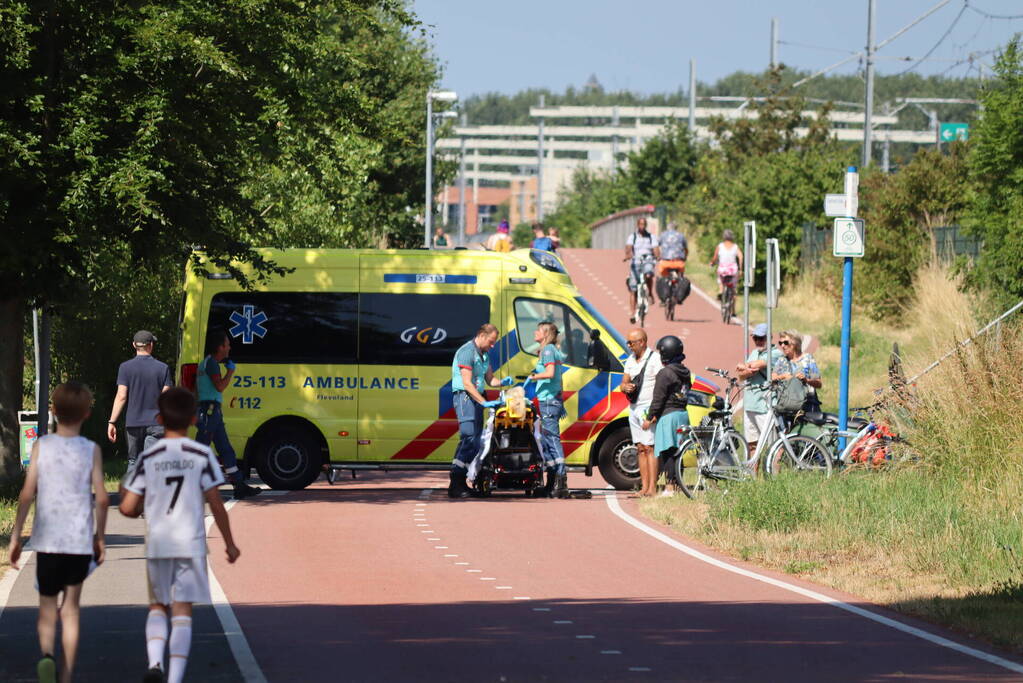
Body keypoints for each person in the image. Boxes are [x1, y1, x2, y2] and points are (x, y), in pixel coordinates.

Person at [119, 387, 240, 683]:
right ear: (194, 419)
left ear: (159, 418)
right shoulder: (201, 455)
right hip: (191, 542)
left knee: (158, 605)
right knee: (183, 612)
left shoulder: (151, 456)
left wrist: (135, 509)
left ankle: (155, 662)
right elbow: (215, 501)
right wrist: (229, 543)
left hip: (160, 540)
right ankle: (174, 678)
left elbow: (127, 506)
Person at [9, 382, 109, 683]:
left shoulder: (42, 446)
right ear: (88, 414)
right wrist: (100, 537)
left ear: (52, 411)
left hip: (48, 541)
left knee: (47, 606)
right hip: (78, 541)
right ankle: (65, 675)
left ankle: (47, 656)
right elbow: (103, 498)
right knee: (72, 610)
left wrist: (16, 536)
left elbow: (27, 493)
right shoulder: (91, 450)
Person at [195, 328, 261, 499]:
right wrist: (230, 372)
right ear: (220, 347)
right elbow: (220, 386)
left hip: (211, 411)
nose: (229, 348)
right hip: (209, 412)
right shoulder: (211, 364)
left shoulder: (206, 362)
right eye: (227, 344)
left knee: (226, 450)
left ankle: (239, 485)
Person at [449, 323, 513, 498]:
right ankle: (456, 482)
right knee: (468, 436)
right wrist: (484, 402)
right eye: (491, 342)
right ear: (482, 336)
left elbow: (490, 379)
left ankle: (460, 482)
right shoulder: (467, 352)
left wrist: (502, 382)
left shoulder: (484, 355)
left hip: (477, 398)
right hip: (465, 397)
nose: (492, 346)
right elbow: (467, 384)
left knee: (475, 441)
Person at [108, 330, 174, 473]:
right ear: (151, 345)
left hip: (133, 423)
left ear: (134, 345)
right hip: (156, 423)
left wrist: (112, 422)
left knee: (133, 461)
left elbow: (121, 396)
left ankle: (131, 494)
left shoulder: (125, 368)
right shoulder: (163, 368)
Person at [642, 336, 692, 496]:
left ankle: (669, 487)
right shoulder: (685, 371)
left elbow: (658, 399)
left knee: (668, 451)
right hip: (683, 415)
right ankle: (678, 485)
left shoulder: (665, 373)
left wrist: (649, 418)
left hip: (668, 416)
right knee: (679, 451)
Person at [527, 322, 569, 498]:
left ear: (545, 334)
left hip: (549, 401)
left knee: (551, 440)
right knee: (546, 442)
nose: (535, 332)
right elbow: (557, 376)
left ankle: (560, 481)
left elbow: (551, 372)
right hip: (550, 400)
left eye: (538, 330)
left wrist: (534, 376)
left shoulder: (548, 350)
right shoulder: (548, 350)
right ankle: (552, 481)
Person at [620, 329, 662, 496]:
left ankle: (652, 488)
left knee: (650, 447)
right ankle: (644, 487)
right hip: (634, 407)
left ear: (642, 342)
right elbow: (623, 383)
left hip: (648, 407)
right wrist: (625, 387)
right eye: (628, 342)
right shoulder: (630, 360)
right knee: (640, 448)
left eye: (632, 342)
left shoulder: (655, 359)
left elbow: (661, 386)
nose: (629, 345)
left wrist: (654, 412)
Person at [736, 323, 785, 459]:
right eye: (755, 338)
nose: (758, 341)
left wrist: (744, 367)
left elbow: (756, 365)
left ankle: (773, 476)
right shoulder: (754, 353)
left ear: (769, 338)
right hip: (750, 405)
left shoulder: (775, 354)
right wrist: (746, 369)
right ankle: (753, 477)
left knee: (773, 445)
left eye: (761, 338)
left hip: (765, 406)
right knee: (752, 445)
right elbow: (741, 376)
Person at [778, 330, 823, 413]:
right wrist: (782, 376)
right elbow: (772, 377)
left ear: (795, 343)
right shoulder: (782, 360)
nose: (782, 346)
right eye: (780, 343)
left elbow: (819, 384)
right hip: (786, 407)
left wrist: (807, 380)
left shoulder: (808, 358)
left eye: (785, 342)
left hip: (807, 407)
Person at [625, 217, 660, 323]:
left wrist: (657, 256)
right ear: (637, 225)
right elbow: (628, 248)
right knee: (633, 289)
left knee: (649, 274)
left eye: (644, 224)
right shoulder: (633, 237)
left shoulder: (651, 237)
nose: (642, 226)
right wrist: (628, 255)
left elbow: (656, 249)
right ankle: (632, 312)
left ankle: (649, 293)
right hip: (636, 262)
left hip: (648, 260)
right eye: (640, 224)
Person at [656, 222, 689, 307]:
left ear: (668, 228)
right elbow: (685, 249)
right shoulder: (681, 236)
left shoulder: (663, 235)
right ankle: (678, 296)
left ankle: (664, 298)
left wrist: (658, 256)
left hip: (665, 263)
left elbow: (656, 246)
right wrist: (684, 257)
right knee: (680, 278)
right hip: (678, 263)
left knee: (663, 278)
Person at [710, 229, 743, 300]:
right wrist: (740, 269)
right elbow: (740, 256)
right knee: (734, 288)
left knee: (721, 279)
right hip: (732, 270)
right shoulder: (735, 247)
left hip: (723, 270)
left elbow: (715, 258)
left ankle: (721, 291)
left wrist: (712, 263)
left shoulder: (720, 246)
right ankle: (733, 309)